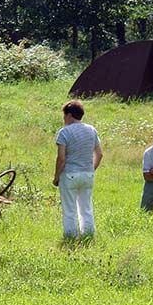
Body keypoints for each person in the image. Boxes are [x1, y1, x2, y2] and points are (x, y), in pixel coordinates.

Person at [53, 99, 103, 238]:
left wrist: (56, 176)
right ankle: (88, 234)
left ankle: (71, 236)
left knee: (69, 209)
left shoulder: (64, 132)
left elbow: (61, 158)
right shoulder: (92, 130)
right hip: (87, 174)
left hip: (70, 174)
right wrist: (91, 169)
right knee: (86, 208)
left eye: (64, 115)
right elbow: (99, 154)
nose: (64, 118)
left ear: (69, 115)